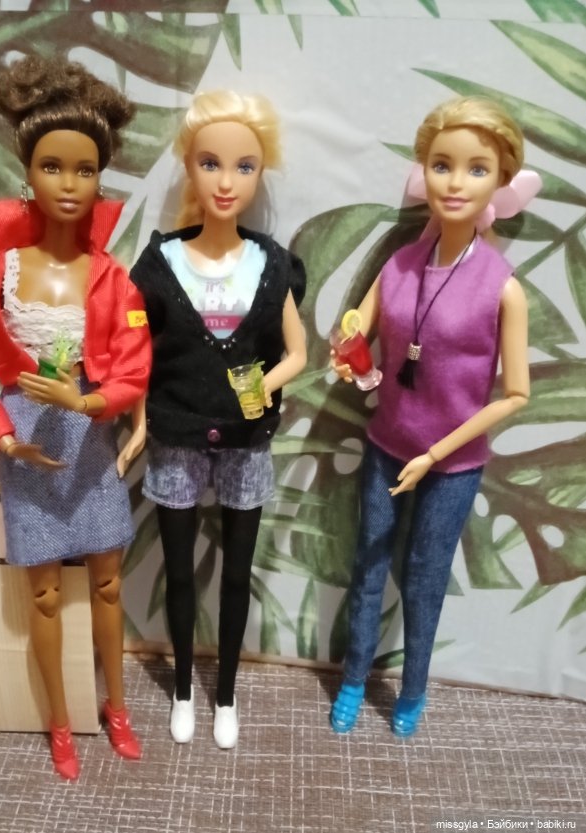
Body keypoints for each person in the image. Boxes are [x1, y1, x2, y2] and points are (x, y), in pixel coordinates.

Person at [0, 55, 151, 780]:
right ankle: (59, 721)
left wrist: (87, 401)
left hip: (90, 439)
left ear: (101, 179)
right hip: (26, 444)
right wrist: (3, 438)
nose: (68, 183)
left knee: (107, 583)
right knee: (42, 591)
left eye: (85, 169)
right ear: (27, 173)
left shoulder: (112, 277)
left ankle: (116, 707)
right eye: (52, 166)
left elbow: (133, 367)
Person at [329, 96, 533, 738]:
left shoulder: (502, 287)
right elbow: (359, 320)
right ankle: (354, 678)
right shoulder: (400, 263)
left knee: (423, 579)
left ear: (501, 181)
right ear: (425, 171)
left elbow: (516, 394)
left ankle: (413, 689)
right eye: (442, 165)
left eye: (477, 169)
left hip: (452, 464)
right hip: (387, 442)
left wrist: (436, 453)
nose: (456, 182)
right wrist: (349, 346)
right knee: (368, 564)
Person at [121, 90, 307, 749]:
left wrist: (256, 386)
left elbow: (298, 353)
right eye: (210, 163)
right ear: (189, 167)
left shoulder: (272, 264)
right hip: (174, 434)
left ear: (260, 172)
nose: (226, 182)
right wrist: (138, 423)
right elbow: (136, 352)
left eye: (243, 166)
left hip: (247, 440)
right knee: (177, 571)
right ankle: (181, 690)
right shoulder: (160, 263)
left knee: (234, 574)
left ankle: (224, 694)